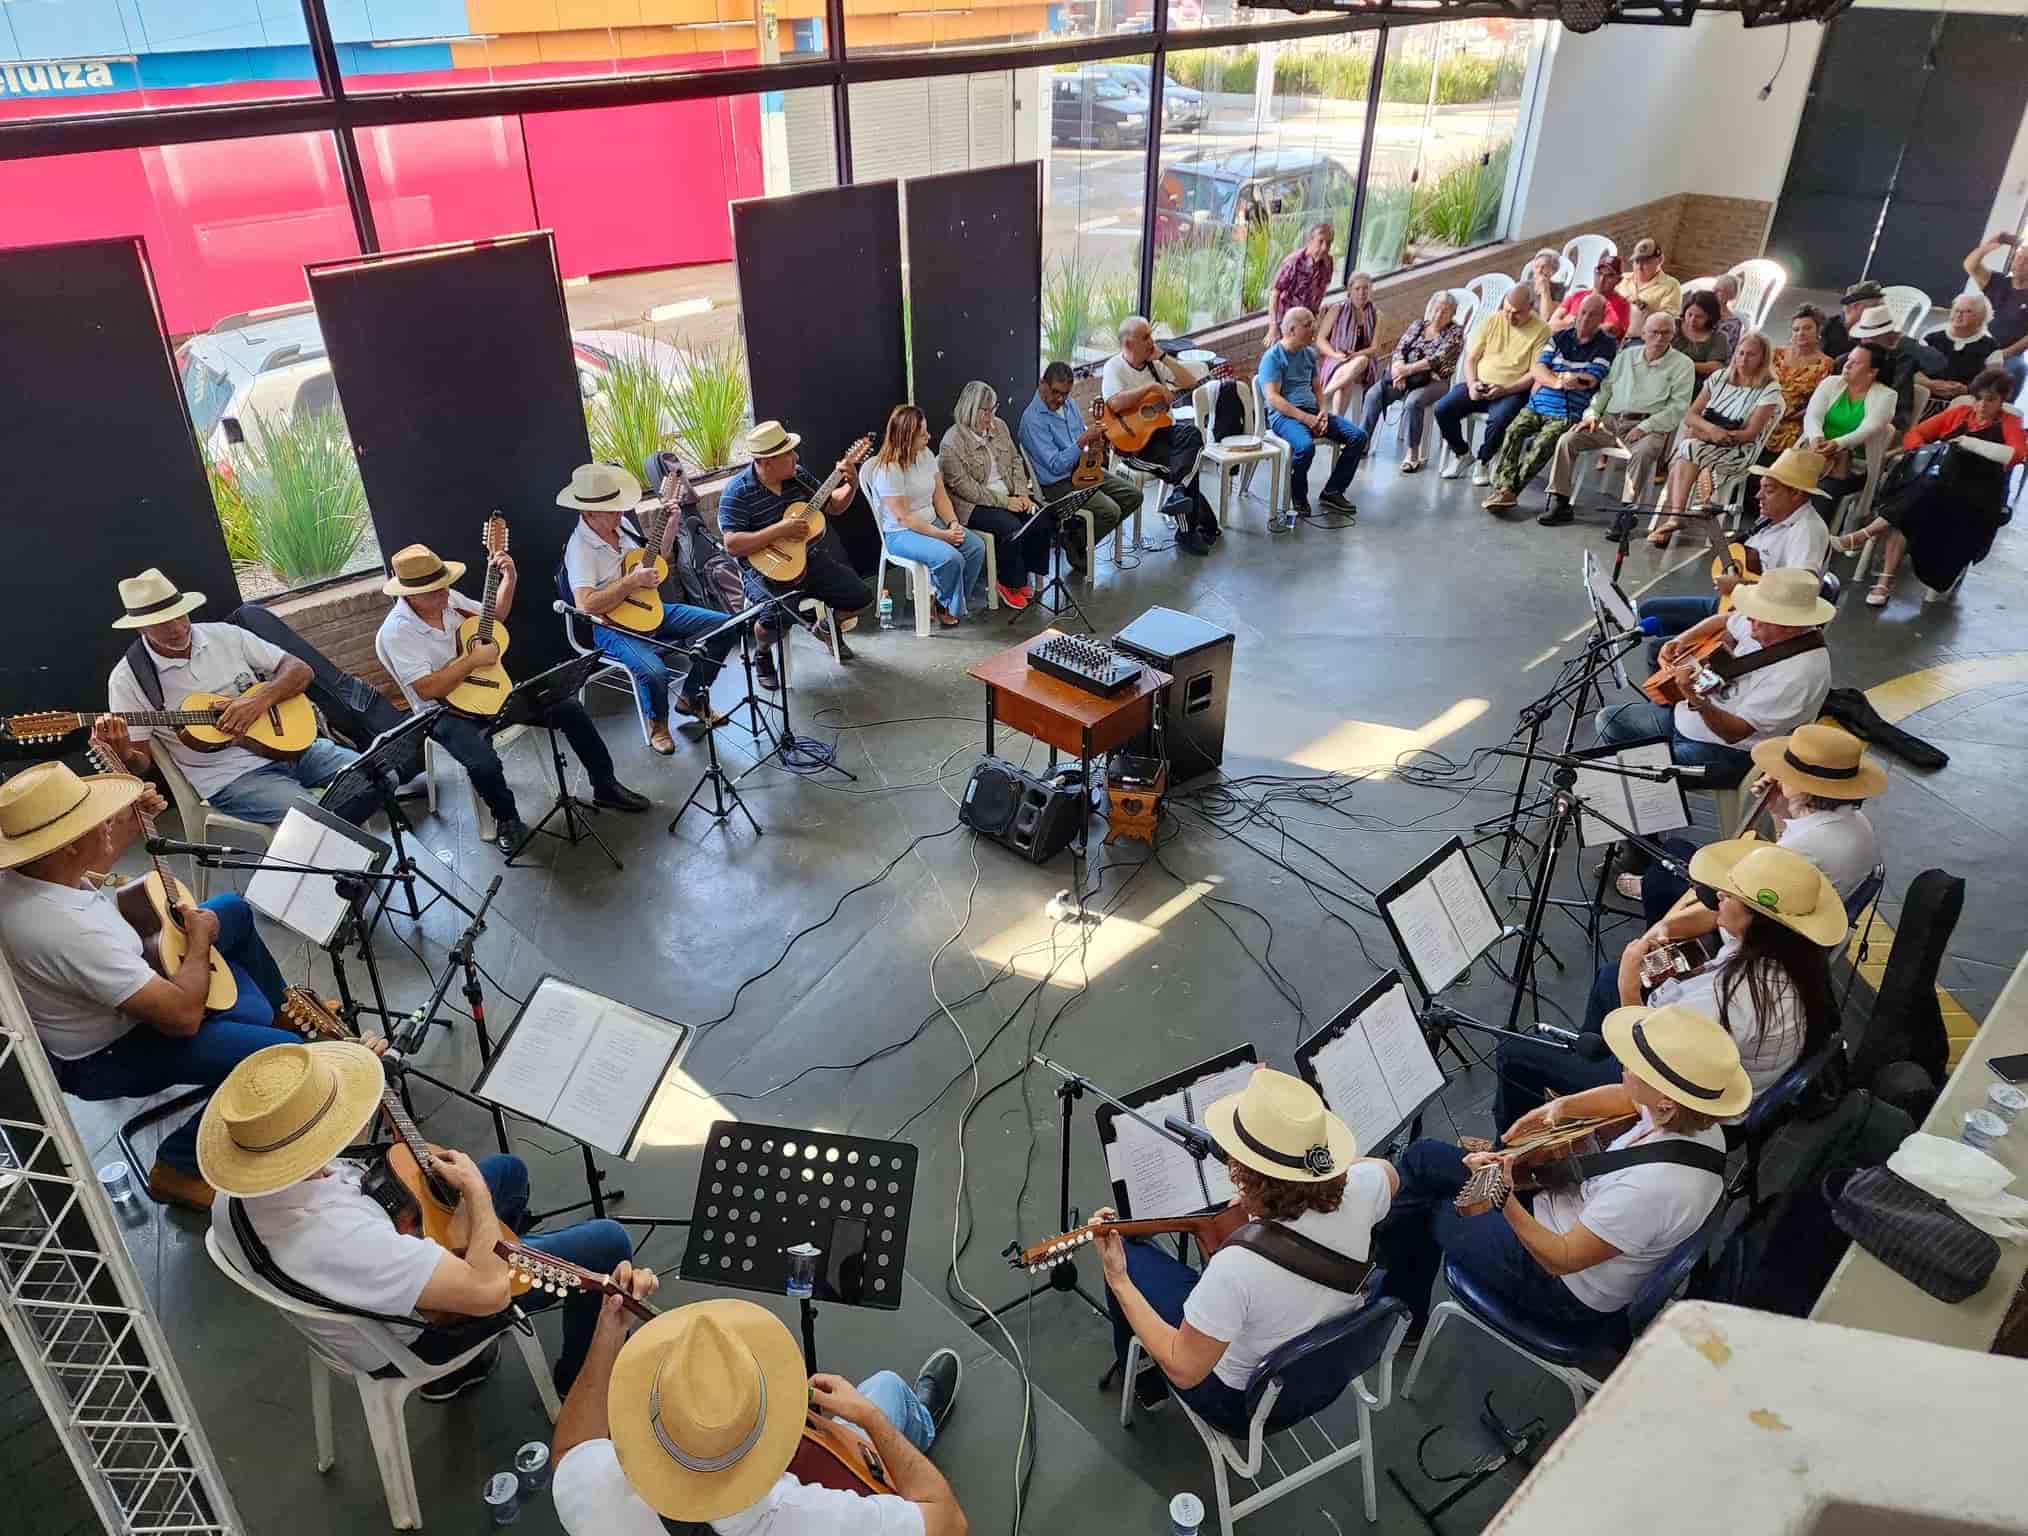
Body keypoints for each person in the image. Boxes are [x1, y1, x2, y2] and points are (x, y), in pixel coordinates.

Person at [203, 1040, 655, 1400]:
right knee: (606, 1242)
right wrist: (475, 1194)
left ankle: (497, 1256)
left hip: (368, 1287)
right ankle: (576, 1380)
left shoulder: (239, 1189)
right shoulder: (338, 1235)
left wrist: (363, 1088)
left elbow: (344, 1181)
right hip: (415, 1333)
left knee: (510, 1173)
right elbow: (488, 1291)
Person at [0, 761, 298, 1211]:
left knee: (231, 910)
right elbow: (181, 1016)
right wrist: (197, 945)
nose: (105, 825)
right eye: (93, 822)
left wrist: (129, 825)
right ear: (64, 846)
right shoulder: (68, 930)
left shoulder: (27, 876)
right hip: (108, 1052)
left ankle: (283, 1010)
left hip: (117, 989)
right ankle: (178, 1166)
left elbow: (86, 870)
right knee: (279, 1055)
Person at [1374, 1005, 1741, 1338]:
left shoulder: (1650, 1190)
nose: (1624, 1066)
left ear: (1665, 1099)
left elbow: (1562, 1256)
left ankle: (1395, 1314)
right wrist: (1560, 1109)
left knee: (1432, 1204)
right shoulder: (1693, 1120)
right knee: (1423, 1160)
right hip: (1567, 1212)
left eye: (1636, 1067)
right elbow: (1628, 1097)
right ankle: (1383, 1267)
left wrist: (1502, 1194)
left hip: (1559, 1285)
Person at [1095, 1068, 1397, 1432]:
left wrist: (1119, 1278)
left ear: (1245, 1172)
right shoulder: (1365, 1189)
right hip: (1329, 1374)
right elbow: (1385, 1171)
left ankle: (1147, 1378)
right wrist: (1320, 1175)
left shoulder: (1236, 1268)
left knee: (1132, 1254)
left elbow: (1186, 1369)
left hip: (1244, 1407)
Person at [548, 1294, 966, 1536]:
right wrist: (873, 1419)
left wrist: (608, 1332)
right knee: (886, 1389)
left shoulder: (594, 1485)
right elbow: (948, 1522)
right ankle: (915, 1427)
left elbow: (570, 1450)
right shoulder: (800, 1518)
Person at [1491, 845, 1840, 1130]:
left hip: (1680, 1099)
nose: (1718, 894)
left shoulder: (1726, 999)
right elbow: (1711, 917)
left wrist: (1630, 987)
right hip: (1707, 1070)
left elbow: (1649, 1062)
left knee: (1514, 1052)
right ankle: (1589, 1068)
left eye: (1731, 896)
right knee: (1605, 980)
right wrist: (1661, 931)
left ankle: (1512, 1147)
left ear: (1757, 922)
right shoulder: (1794, 954)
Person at [377, 542, 648, 855]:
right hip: (443, 712)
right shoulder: (397, 633)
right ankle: (506, 818)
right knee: (483, 762)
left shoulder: (448, 598)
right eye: (434, 592)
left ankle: (606, 786)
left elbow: (495, 617)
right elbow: (426, 689)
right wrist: (471, 661)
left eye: (444, 586)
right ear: (408, 595)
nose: (444, 594)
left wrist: (510, 578)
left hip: (491, 691)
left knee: (568, 707)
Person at [98, 569, 368, 827]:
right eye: (162, 623)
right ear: (141, 628)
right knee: (313, 818)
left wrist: (258, 701)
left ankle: (347, 855)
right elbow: (140, 762)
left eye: (180, 614)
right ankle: (346, 861)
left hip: (296, 749)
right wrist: (121, 751)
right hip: (232, 778)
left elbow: (300, 670)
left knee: (374, 777)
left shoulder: (225, 635)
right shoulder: (128, 679)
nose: (177, 627)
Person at [1618, 722, 1884, 924]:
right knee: (1676, 849)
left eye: (1787, 775)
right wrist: (1779, 809)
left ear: (1806, 788)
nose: (1778, 776)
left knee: (1664, 872)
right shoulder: (1856, 821)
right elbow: (1786, 846)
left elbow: (1737, 898)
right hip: (1806, 907)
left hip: (1767, 926)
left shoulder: (1804, 846)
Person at [1596, 567, 1834, 787]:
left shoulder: (1799, 675)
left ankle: (1649, 821)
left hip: (1727, 753)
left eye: (1756, 621)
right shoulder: (1767, 626)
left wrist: (1694, 697)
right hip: (1689, 719)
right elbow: (1724, 621)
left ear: (1789, 625)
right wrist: (1680, 640)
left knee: (1633, 773)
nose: (1749, 627)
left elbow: (1734, 733)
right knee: (1608, 721)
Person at [560, 462, 735, 756]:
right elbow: (585, 604)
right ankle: (659, 725)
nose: (620, 513)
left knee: (725, 625)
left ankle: (692, 697)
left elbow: (657, 557)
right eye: (612, 509)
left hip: (650, 609)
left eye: (619, 506)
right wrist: (631, 581)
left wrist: (668, 527)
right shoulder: (580, 549)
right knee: (655, 671)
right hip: (610, 626)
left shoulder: (621, 525)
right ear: (588, 512)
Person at [1834, 368, 2027, 606]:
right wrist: (1920, 452)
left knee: (1915, 496)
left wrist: (1967, 442)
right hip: (1936, 488)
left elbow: (2015, 455)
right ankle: (1883, 580)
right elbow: (1916, 434)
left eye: (1991, 400)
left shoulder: (2010, 422)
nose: (1982, 405)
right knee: (1916, 500)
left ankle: (1866, 538)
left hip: (1977, 497)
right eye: (1979, 398)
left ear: (2003, 400)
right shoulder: (1960, 413)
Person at [714, 421, 875, 691]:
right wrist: (780, 529)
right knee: (777, 617)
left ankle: (824, 627)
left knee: (862, 597)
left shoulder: (797, 476)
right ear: (765, 462)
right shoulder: (737, 491)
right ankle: (762, 653)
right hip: (762, 569)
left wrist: (852, 483)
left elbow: (834, 507)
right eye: (788, 453)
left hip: (808, 559)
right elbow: (731, 544)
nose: (796, 457)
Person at [1634, 446, 1832, 643]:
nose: (1758, 496)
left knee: (1659, 648)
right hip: (1734, 605)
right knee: (1649, 610)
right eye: (1760, 487)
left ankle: (1689, 657)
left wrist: (1741, 585)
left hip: (1761, 625)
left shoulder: (1807, 532)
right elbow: (1749, 560)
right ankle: (1686, 648)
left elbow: (1797, 594)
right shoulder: (1772, 518)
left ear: (1796, 494)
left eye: (1769, 490)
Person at [1537, 311, 1693, 525]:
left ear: (1673, 336)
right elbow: (1605, 390)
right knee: (1567, 440)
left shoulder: (1683, 365)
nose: (1659, 338)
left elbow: (1678, 407)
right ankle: (1560, 501)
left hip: (1647, 425)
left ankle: (1626, 513)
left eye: (1665, 333)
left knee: (1643, 453)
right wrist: (1591, 414)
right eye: (1654, 332)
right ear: (1644, 334)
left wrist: (1646, 426)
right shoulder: (1626, 356)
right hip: (1611, 421)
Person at [1481, 293, 1617, 514]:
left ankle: (1509, 493)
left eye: (1592, 315)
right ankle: (1504, 489)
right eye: (1582, 312)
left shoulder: (1606, 345)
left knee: (1543, 444)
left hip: (1568, 411)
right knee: (1514, 431)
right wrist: (1558, 380)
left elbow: (1588, 379)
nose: (1585, 319)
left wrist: (1559, 374)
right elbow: (1537, 369)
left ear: (1602, 317)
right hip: (1539, 403)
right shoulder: (1559, 337)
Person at [1646, 330, 1783, 546]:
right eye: (1740, 353)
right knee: (1687, 451)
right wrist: (1710, 430)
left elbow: (1750, 434)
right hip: (1706, 440)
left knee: (1686, 450)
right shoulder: (1720, 377)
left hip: (1738, 449)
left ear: (1762, 358)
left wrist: (1713, 434)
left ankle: (1674, 518)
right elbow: (1691, 415)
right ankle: (1675, 519)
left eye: (1751, 355)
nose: (1743, 359)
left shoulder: (1769, 389)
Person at [1101, 316, 1221, 554]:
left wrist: (1164, 357)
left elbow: (1190, 382)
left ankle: (1179, 497)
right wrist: (1152, 388)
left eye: (1151, 335)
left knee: (1193, 434)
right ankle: (1188, 531)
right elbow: (1113, 403)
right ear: (1128, 344)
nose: (1151, 342)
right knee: (1183, 470)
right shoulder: (1114, 367)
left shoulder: (1155, 363)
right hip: (1134, 444)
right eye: (1145, 337)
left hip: (1164, 432)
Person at [866, 404, 987, 626]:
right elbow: (904, 518)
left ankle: (945, 602)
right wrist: (943, 536)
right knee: (951, 558)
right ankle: (947, 603)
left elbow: (939, 495)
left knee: (975, 547)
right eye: (922, 435)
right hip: (902, 533)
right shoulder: (888, 470)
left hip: (932, 522)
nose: (929, 438)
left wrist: (952, 524)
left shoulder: (926, 454)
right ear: (906, 438)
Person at [939, 380, 1055, 611]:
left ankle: (1026, 573)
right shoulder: (951, 443)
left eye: (994, 409)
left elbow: (1015, 460)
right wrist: (1006, 502)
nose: (991, 416)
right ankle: (1008, 582)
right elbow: (968, 490)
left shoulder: (999, 426)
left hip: (1009, 495)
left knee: (1041, 516)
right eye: (986, 411)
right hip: (974, 506)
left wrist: (1022, 494)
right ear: (970, 409)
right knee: (1010, 527)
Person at [1018, 362, 1130, 576]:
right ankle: (1076, 543)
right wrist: (1082, 442)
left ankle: (1075, 538)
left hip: (1083, 471)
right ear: (1042, 384)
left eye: (1065, 393)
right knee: (1111, 512)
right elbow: (1056, 465)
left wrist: (1095, 445)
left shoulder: (1068, 404)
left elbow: (1082, 441)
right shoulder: (1032, 420)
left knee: (1132, 495)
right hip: (1057, 484)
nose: (1060, 399)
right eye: (1055, 392)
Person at [1257, 305, 1366, 526]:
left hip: (1313, 412)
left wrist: (1323, 412)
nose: (1313, 328)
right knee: (1306, 447)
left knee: (1358, 436)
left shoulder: (1309, 354)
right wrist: (1306, 419)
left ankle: (1333, 491)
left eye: (1312, 323)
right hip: (1285, 417)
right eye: (1307, 325)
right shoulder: (1273, 357)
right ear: (1291, 329)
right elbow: (1273, 399)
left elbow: (1318, 388)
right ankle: (1298, 495)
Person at [1436, 282, 1552, 484]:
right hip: (1480, 384)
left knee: (1499, 420)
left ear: (1530, 307)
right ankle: (1462, 454)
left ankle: (1484, 460)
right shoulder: (1493, 319)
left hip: (1512, 390)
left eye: (1516, 313)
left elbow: (1535, 373)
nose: (1509, 317)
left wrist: (1505, 389)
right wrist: (1472, 384)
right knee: (1442, 409)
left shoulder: (1542, 330)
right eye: (1506, 310)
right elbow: (1471, 358)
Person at [1358, 291, 1465, 474]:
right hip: (1406, 378)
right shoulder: (1418, 325)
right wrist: (1399, 369)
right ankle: (1361, 442)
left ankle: (1412, 454)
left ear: (1452, 314)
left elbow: (1435, 360)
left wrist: (1406, 370)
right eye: (1437, 308)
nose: (1439, 314)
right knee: (1374, 394)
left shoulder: (1455, 333)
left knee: (1413, 402)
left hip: (1435, 380)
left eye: (1445, 311)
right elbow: (1400, 349)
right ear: (1430, 308)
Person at [1801, 342, 1897, 506]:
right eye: (1849, 359)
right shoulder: (1831, 383)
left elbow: (1869, 429)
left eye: (1856, 363)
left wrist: (1838, 443)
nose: (1847, 365)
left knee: (1822, 491)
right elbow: (1812, 416)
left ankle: (1811, 531)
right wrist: (1816, 437)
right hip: (1814, 455)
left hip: (1851, 467)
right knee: (1781, 478)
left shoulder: (1887, 396)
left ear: (1872, 372)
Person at [1845, 303, 1946, 429]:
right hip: (1855, 411)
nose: (1865, 341)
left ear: (1888, 335)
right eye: (1863, 337)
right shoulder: (1854, 356)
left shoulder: (1905, 354)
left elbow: (1938, 365)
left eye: (1872, 337)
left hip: (1893, 417)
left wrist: (1903, 341)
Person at [1962, 231, 2028, 394]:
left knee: (2018, 369)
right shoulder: (1998, 282)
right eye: (2019, 258)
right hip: (1981, 344)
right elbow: (1970, 265)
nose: (2020, 263)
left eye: (2027, 261)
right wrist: (1987, 247)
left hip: (2009, 353)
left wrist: (2002, 354)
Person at [1765, 305, 1835, 458]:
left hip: (1794, 423)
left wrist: (1788, 415)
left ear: (1818, 331)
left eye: (1807, 328)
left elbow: (1818, 401)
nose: (1801, 333)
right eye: (1796, 329)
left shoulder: (1825, 364)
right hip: (1764, 414)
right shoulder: (1776, 354)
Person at [1317, 270, 1381, 419]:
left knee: (1362, 360)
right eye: (1357, 289)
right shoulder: (1337, 309)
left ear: (1371, 291)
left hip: (1364, 364)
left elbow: (1374, 348)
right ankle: (1338, 421)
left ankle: (1325, 395)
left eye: (1366, 288)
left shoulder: (1377, 314)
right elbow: (1320, 339)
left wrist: (1354, 355)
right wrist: (1335, 355)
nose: (1362, 293)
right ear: (1349, 290)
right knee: (1347, 382)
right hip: (1336, 359)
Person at [1917, 293, 1998, 402]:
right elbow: (1911, 370)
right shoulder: (1931, 337)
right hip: (1925, 397)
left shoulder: (1991, 346)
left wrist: (1967, 390)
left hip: (1965, 403)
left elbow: (1993, 382)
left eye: (1968, 311)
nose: (1959, 314)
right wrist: (1930, 384)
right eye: (1956, 310)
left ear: (1981, 318)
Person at [1265, 221, 1336, 346]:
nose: (1325, 247)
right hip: (1287, 324)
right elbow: (1275, 293)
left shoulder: (1328, 263)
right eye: (1321, 241)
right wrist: (1273, 326)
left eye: (1328, 243)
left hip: (1307, 323)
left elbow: (1321, 290)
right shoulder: (1293, 262)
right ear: (1310, 241)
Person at [1550, 252, 1631, 339]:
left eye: (1609, 276)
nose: (1602, 279)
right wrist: (1585, 326)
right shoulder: (1577, 295)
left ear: (1618, 280)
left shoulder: (1621, 303)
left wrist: (1570, 321)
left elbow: (1608, 330)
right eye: (1599, 273)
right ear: (1594, 273)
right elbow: (1552, 324)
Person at [1618, 238, 1684, 339]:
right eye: (1636, 261)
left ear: (1660, 260)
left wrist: (1644, 308)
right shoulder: (1622, 279)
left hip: (1641, 340)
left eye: (1646, 262)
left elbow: (1668, 322)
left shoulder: (1671, 285)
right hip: (1612, 335)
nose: (1640, 267)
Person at [1671, 290, 1732, 382]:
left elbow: (1716, 366)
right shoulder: (1673, 325)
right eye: (1690, 314)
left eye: (1699, 317)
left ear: (1710, 317)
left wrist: (1685, 365)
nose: (1692, 320)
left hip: (1694, 383)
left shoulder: (1719, 337)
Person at [1818, 279, 1883, 360]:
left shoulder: (1876, 332)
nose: (1878, 311)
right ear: (1856, 306)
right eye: (1874, 307)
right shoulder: (1828, 327)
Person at [1524, 247, 1568, 316]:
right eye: (1536, 267)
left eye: (1543, 267)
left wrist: (1545, 290)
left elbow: (1546, 317)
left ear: (1553, 271)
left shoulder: (1559, 289)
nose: (1539, 271)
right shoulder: (1524, 286)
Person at [1710, 273, 1747, 353]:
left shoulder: (1734, 323)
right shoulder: (1702, 310)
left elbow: (1729, 351)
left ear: (1730, 295)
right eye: (1714, 288)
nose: (1714, 292)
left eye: (1720, 290)